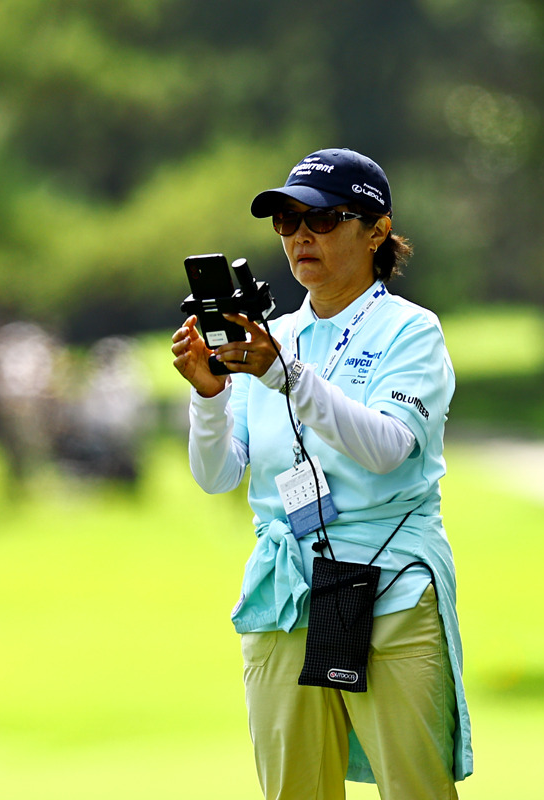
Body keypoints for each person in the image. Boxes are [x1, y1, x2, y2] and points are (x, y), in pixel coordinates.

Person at [171, 148, 471, 800]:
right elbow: (217, 475)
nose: (301, 235)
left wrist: (284, 375)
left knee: (415, 789)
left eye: (324, 219)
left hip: (391, 583)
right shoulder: (271, 338)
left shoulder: (410, 331)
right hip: (285, 588)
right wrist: (209, 396)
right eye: (287, 221)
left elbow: (388, 448)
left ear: (377, 230)